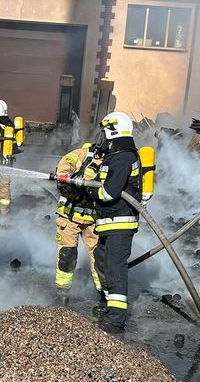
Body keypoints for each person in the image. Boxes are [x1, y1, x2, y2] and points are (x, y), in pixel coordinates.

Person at [90, 111, 142, 334]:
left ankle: (116, 319)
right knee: (102, 261)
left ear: (113, 131)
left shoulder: (123, 157)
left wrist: (92, 193)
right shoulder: (115, 156)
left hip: (120, 220)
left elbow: (109, 192)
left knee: (115, 266)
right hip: (109, 220)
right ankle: (109, 305)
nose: (101, 136)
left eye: (105, 132)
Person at [53, 142, 103, 302]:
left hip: (94, 219)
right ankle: (63, 292)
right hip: (69, 216)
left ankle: (104, 292)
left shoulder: (113, 160)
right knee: (67, 254)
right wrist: (65, 180)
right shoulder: (83, 154)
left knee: (99, 257)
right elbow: (66, 163)